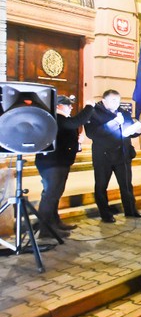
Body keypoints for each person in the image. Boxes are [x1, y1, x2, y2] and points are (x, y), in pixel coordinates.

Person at [34, 96, 94, 238]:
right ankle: (45, 229)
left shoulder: (61, 120)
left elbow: (68, 134)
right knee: (50, 195)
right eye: (68, 105)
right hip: (53, 163)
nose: (71, 108)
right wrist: (89, 107)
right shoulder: (56, 118)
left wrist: (77, 143)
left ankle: (54, 222)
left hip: (58, 163)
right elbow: (76, 122)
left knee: (54, 195)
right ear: (59, 106)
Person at [84, 89, 141, 223]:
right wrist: (114, 123)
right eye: (113, 100)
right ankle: (106, 214)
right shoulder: (94, 113)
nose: (117, 103)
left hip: (122, 155)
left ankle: (131, 210)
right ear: (104, 100)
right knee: (101, 186)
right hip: (103, 157)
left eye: (118, 100)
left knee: (126, 185)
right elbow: (93, 134)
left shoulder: (123, 112)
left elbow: (129, 131)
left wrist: (137, 130)